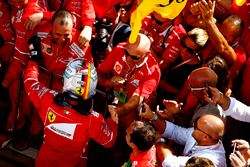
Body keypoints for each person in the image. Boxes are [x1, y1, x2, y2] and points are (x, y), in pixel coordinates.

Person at [23, 58, 118, 167]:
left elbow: (29, 81)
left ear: (65, 80)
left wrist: (33, 60)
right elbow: (109, 140)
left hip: (44, 162)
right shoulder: (94, 120)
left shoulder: (46, 99)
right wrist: (113, 118)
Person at [97, 33, 160, 166]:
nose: (128, 58)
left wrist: (117, 112)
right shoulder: (119, 49)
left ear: (147, 54)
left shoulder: (153, 71)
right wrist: (109, 81)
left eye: (135, 57)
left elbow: (136, 100)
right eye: (127, 53)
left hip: (130, 114)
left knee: (123, 141)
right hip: (111, 101)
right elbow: (99, 74)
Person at [139, 103, 226, 167]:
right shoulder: (201, 135)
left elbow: (169, 163)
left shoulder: (209, 160)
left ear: (205, 137)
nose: (193, 127)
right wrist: (152, 116)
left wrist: (159, 140)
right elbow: (174, 131)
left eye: (196, 127)